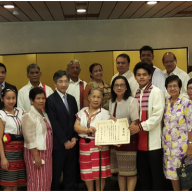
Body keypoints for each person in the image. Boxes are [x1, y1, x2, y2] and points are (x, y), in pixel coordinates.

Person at [129, 62, 165, 190]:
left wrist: (140, 127)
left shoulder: (156, 92)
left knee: (156, 176)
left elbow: (157, 116)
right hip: (138, 142)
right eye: (138, 75)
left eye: (145, 74)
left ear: (150, 76)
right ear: (135, 77)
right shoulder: (135, 93)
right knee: (143, 176)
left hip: (153, 142)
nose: (141, 77)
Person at [46, 70, 78, 191]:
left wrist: (75, 136)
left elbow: (76, 119)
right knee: (55, 176)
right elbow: (54, 123)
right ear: (55, 83)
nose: (63, 84)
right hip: (58, 145)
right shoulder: (50, 100)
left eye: (66, 81)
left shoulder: (72, 99)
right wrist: (65, 141)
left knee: (70, 175)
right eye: (60, 81)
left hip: (72, 143)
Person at [74, 87, 111, 191]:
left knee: (100, 173)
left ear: (102, 99)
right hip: (84, 145)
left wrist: (103, 141)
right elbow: (76, 127)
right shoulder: (82, 111)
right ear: (89, 97)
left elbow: (108, 130)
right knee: (87, 172)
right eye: (93, 96)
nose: (96, 99)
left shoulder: (105, 113)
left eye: (99, 97)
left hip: (99, 146)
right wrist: (87, 130)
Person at [109, 76, 139, 191]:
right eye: (116, 85)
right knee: (120, 171)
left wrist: (122, 138)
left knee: (130, 171)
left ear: (126, 87)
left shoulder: (132, 101)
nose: (119, 87)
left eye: (122, 85)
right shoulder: (111, 101)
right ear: (113, 87)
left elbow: (134, 123)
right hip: (115, 142)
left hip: (128, 140)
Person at [163, 75, 192, 191]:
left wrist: (190, 144)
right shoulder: (166, 103)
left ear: (180, 87)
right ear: (166, 88)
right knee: (173, 177)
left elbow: (191, 126)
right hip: (168, 149)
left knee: (184, 177)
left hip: (182, 148)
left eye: (175, 86)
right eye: (170, 86)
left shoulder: (186, 103)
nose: (172, 88)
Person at [22, 87, 52, 191]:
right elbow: (29, 138)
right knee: (36, 181)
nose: (41, 101)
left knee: (46, 181)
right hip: (35, 154)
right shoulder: (29, 115)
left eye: (43, 98)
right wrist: (36, 156)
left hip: (47, 154)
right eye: (38, 98)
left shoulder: (44, 113)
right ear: (31, 100)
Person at [0, 89, 26, 190]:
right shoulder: (1, 114)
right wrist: (3, 158)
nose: (11, 101)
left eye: (13, 98)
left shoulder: (21, 112)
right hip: (8, 154)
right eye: (8, 98)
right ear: (2, 99)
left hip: (21, 152)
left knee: (16, 184)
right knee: (8, 184)